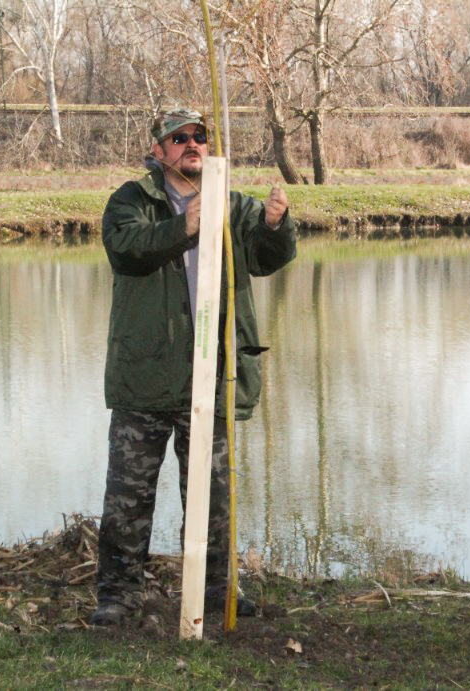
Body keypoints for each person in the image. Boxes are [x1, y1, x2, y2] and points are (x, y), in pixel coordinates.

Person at [90, 107, 297, 627]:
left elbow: (267, 258)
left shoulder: (234, 205)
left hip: (214, 378)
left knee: (215, 499)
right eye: (178, 138)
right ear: (158, 151)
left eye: (199, 136)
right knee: (128, 501)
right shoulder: (131, 200)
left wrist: (275, 224)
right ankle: (118, 597)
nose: (191, 145)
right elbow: (126, 249)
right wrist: (184, 226)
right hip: (144, 379)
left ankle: (216, 593)